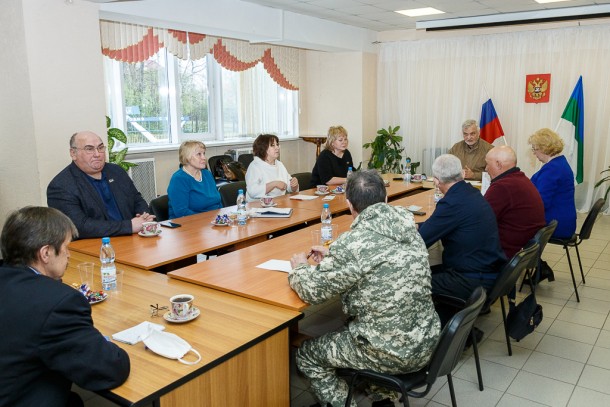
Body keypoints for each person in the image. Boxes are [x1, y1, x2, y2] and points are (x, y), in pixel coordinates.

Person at [289, 170, 441, 407]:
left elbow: (311, 290)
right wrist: (336, 257)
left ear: (349, 204)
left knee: (307, 355)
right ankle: (383, 395)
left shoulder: (352, 243)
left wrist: (299, 267)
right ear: (386, 199)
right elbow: (379, 259)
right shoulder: (409, 227)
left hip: (388, 352)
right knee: (374, 320)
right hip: (427, 341)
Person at [0, 206, 130, 407]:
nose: (69, 255)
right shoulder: (56, 303)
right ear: (46, 253)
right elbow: (110, 369)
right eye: (66, 247)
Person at [419, 154, 506, 305]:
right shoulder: (471, 193)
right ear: (463, 174)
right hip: (488, 270)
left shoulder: (451, 203)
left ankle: (433, 324)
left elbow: (420, 240)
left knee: (408, 283)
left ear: (436, 181)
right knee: (424, 272)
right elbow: (438, 225)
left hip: (471, 279)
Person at [47, 131, 153, 239]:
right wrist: (129, 226)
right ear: (73, 153)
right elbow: (79, 227)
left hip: (132, 238)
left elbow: (137, 199)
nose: (97, 154)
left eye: (100, 148)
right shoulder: (61, 186)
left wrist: (144, 217)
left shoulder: (116, 171)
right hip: (95, 247)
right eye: (89, 149)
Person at [484, 145, 546, 259]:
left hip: (505, 253)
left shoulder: (502, 187)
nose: (486, 168)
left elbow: (479, 220)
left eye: (487, 164)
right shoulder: (520, 178)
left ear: (498, 164)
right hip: (524, 249)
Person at [529, 128, 577, 239]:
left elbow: (541, 203)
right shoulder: (560, 162)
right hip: (563, 219)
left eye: (534, 149)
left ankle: (527, 256)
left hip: (556, 224)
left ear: (543, 148)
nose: (534, 153)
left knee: (511, 224)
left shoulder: (552, 169)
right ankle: (533, 255)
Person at [167, 140, 222, 218]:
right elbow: (181, 212)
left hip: (212, 220)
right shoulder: (179, 179)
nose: (204, 158)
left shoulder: (207, 174)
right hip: (188, 223)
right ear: (187, 157)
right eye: (199, 154)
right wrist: (207, 220)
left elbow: (218, 202)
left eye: (204, 153)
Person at [245, 134, 299, 202]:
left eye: (277, 144)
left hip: (278, 204)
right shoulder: (255, 166)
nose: (277, 148)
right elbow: (252, 191)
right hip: (257, 207)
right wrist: (274, 184)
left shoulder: (279, 164)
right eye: (273, 145)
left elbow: (289, 188)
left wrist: (294, 185)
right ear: (263, 148)